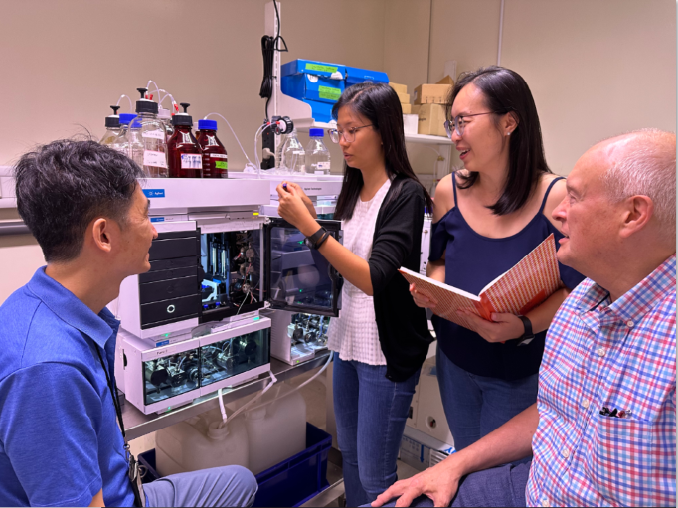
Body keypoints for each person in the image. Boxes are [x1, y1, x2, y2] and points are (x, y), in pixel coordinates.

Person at [372, 129, 676, 507]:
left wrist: (523, 325)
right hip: (537, 485)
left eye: (576, 198)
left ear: (633, 214)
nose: (560, 213)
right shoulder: (582, 303)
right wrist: (455, 464)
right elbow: (554, 409)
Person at [0, 139, 258, 507]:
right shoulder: (47, 371)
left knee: (239, 481)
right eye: (146, 216)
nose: (154, 232)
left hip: (123, 488)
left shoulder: (50, 306)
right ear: (103, 235)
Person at [410, 66, 586, 451]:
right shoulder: (447, 191)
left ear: (509, 122)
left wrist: (523, 326)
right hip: (454, 359)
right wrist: (434, 290)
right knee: (464, 459)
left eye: (464, 121)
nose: (455, 135)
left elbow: (576, 291)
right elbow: (439, 260)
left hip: (517, 370)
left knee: (498, 479)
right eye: (451, 123)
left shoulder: (556, 199)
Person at [275, 82, 434, 506]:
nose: (342, 141)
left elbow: (373, 277)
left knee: (378, 470)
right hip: (347, 342)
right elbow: (345, 264)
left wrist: (311, 229)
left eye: (352, 130)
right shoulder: (353, 191)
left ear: (383, 131)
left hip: (385, 353)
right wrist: (313, 220)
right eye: (338, 131)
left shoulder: (405, 195)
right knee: (352, 461)